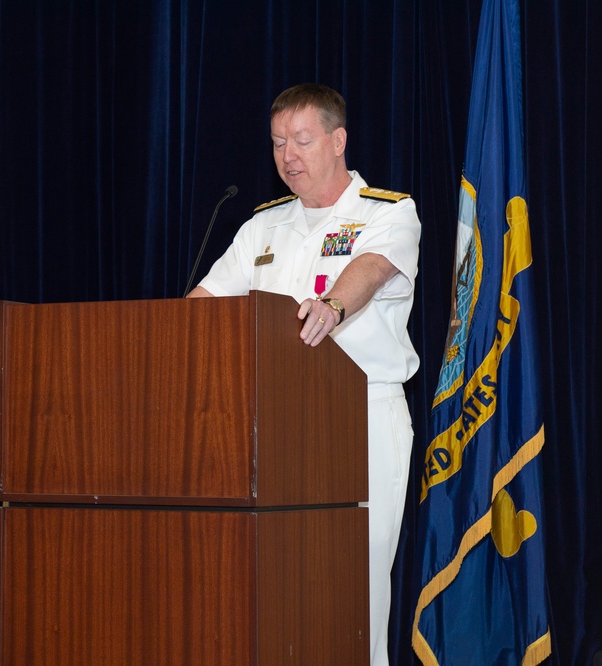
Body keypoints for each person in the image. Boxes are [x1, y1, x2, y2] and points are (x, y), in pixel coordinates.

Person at [187, 83, 420, 666]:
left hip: (361, 418)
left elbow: (367, 271)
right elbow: (204, 303)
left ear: (338, 141)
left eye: (301, 139)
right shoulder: (261, 227)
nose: (287, 155)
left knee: (352, 584)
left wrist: (332, 308)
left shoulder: (388, 213)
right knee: (279, 584)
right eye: (277, 143)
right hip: (273, 426)